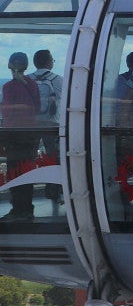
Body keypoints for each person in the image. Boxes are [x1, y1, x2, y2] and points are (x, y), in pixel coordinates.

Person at [1, 52, 40, 219]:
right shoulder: (32, 84)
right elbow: (37, 108)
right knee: (26, 170)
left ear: (10, 65)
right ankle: (26, 208)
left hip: (14, 135)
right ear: (26, 66)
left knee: (14, 172)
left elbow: (7, 111)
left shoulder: (9, 87)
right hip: (30, 134)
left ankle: (18, 209)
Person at [29, 49, 63, 203]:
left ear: (35, 63)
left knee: (29, 157)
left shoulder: (27, 80)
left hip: (31, 125)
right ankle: (54, 190)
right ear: (49, 62)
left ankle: (26, 190)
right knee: (54, 157)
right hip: (52, 124)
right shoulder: (59, 80)